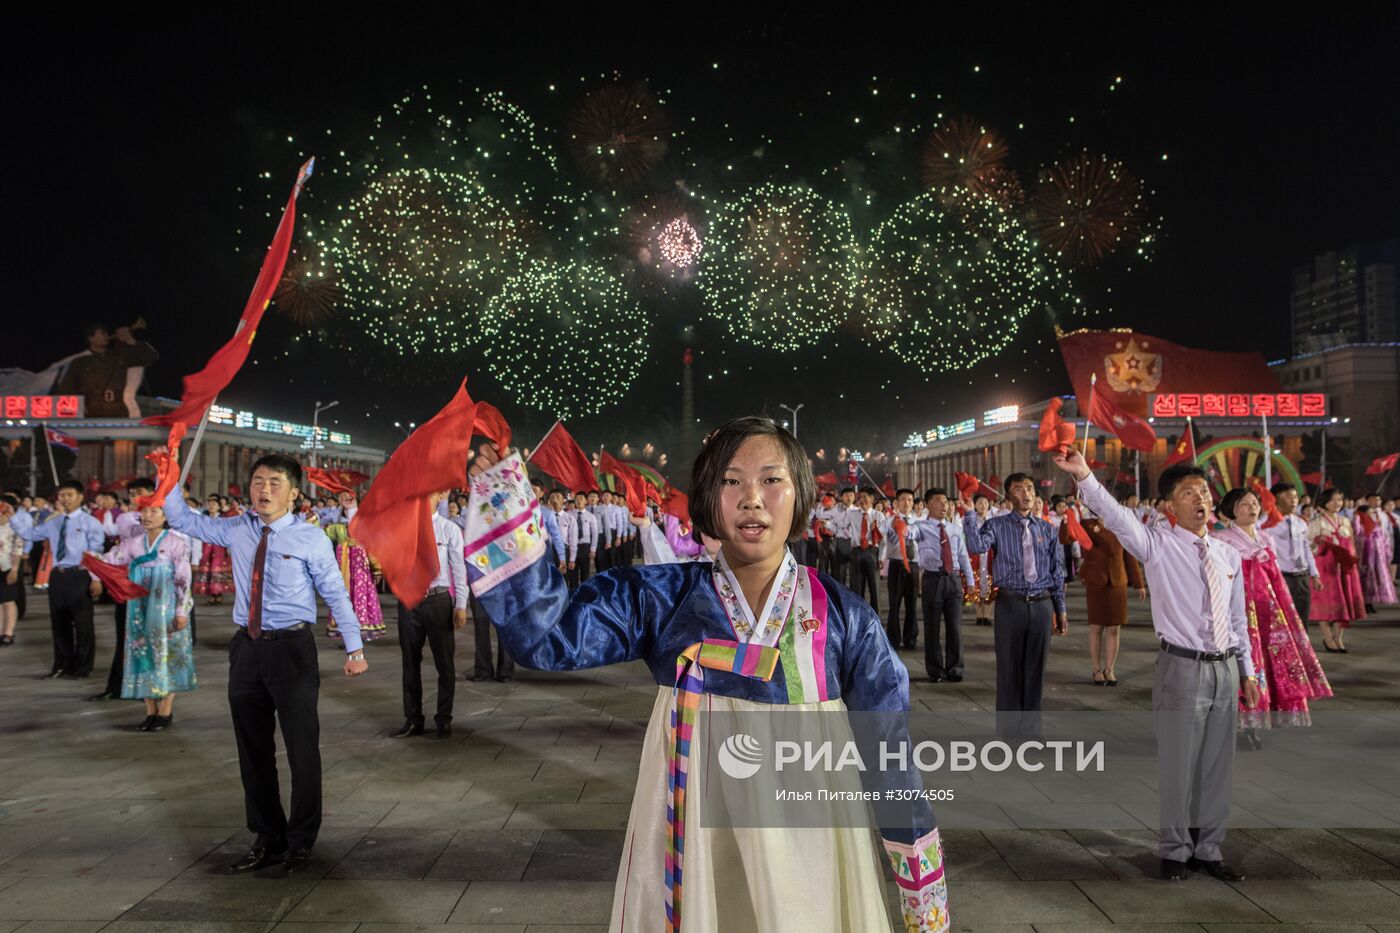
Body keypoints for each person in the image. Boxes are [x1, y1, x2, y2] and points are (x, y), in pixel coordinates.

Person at [463, 416, 949, 932]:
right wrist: (503, 501)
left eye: (770, 479)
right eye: (731, 480)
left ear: (800, 494)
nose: (751, 498)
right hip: (692, 836)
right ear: (708, 500)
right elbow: (548, 636)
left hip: (812, 843)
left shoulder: (847, 618)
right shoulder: (661, 599)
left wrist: (924, 902)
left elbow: (888, 755)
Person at [1055, 448, 1258, 882]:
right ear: (1170, 506)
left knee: (1219, 764)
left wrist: (1248, 671)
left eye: (1204, 491)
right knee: (1180, 764)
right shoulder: (1158, 546)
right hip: (1182, 670)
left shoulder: (1227, 555)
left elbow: (1239, 618)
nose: (1200, 498)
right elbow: (1114, 516)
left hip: (1225, 670)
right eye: (1189, 493)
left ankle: (1209, 848)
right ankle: (1174, 850)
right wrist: (1086, 475)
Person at [161, 451, 368, 876]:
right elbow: (183, 520)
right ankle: (267, 837)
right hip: (248, 650)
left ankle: (301, 840)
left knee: (301, 749)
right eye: (257, 482)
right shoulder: (237, 529)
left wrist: (355, 648)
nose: (264, 490)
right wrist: (169, 480)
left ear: (293, 494)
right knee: (252, 749)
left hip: (292, 649)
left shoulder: (310, 539)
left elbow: (334, 591)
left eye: (274, 483)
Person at [1212, 488, 1332, 749]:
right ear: (1232, 508)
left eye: (1255, 503)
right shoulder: (1221, 540)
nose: (1252, 508)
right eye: (1244, 504)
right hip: (1240, 614)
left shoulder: (1266, 538)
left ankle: (1259, 721)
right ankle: (1241, 725)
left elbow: (1275, 579)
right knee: (1247, 665)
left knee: (1270, 665)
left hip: (1269, 614)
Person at [961, 473, 1067, 737]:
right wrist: (969, 515)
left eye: (1030, 488)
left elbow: (1057, 572)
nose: (1026, 494)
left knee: (1036, 669)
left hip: (1041, 604)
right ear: (1009, 496)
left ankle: (1032, 730)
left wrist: (1060, 609)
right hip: (1011, 603)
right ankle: (1008, 731)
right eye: (1019, 489)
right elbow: (975, 546)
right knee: (1009, 669)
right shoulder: (996, 526)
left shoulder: (1046, 529)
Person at [90, 501, 196, 731]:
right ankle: (150, 709)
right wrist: (91, 561)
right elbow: (109, 560)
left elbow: (183, 580)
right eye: (144, 511)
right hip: (139, 608)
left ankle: (166, 709)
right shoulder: (131, 544)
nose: (147, 516)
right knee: (141, 652)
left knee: (167, 653)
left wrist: (181, 611)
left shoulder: (176, 543)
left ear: (165, 516)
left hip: (165, 607)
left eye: (154, 511)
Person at [10, 480, 105, 678]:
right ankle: (62, 665)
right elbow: (29, 534)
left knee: (82, 624)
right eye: (62, 495)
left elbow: (96, 552)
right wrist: (12, 518)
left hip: (80, 575)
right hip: (58, 575)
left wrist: (96, 579)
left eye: (70, 495)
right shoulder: (54, 522)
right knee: (59, 622)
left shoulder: (90, 522)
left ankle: (83, 667)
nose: (65, 499)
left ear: (80, 497)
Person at [394, 491, 468, 739]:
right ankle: (413, 719)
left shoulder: (449, 529)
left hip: (438, 600)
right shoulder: (402, 528)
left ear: (441, 497)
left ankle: (444, 718)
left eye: (430, 495)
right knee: (409, 662)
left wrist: (461, 605)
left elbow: (459, 568)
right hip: (409, 601)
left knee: (444, 663)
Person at [89, 477, 156, 702]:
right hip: (128, 586)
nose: (137, 497)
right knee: (125, 638)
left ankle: (145, 688)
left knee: (148, 639)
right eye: (134, 493)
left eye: (143, 492)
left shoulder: (164, 519)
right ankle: (116, 685)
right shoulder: (127, 518)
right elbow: (136, 533)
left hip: (153, 587)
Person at [1067, 502, 1145, 686]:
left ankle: (1110, 668)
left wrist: (1139, 583)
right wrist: (1069, 516)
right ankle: (1096, 668)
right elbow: (1070, 535)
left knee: (1114, 628)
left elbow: (1130, 555)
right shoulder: (1087, 525)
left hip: (1118, 581)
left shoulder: (1121, 527)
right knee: (1096, 627)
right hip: (1097, 581)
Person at [909, 488, 976, 682]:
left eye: (946, 501)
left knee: (955, 627)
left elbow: (963, 556)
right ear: (928, 505)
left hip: (953, 580)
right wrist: (903, 525)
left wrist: (970, 581)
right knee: (932, 628)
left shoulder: (955, 528)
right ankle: (935, 670)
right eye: (939, 501)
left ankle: (955, 668)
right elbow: (908, 533)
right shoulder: (920, 527)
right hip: (932, 580)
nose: (944, 505)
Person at [321, 490, 388, 643]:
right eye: (342, 498)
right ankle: (346, 632)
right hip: (343, 567)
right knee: (343, 597)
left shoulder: (363, 522)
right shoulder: (336, 524)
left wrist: (376, 566)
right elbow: (322, 536)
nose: (346, 500)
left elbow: (368, 542)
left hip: (360, 568)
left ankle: (360, 630)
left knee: (360, 595)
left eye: (349, 498)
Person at [54, 323, 159, 418]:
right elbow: (65, 390)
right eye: (102, 333)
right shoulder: (80, 362)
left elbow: (150, 356)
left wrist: (130, 340)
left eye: (106, 333)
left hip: (118, 409)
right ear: (91, 338)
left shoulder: (118, 356)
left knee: (122, 438)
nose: (106, 335)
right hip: (90, 411)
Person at [1309, 488, 1366, 652]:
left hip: (1344, 567)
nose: (1337, 503)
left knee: (1344, 603)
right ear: (1325, 502)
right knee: (1326, 603)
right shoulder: (1316, 522)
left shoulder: (1345, 521)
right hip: (1326, 567)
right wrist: (1320, 543)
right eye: (1333, 500)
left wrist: (1353, 561)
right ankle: (1327, 637)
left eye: (1340, 500)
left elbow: (1352, 544)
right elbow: (1308, 546)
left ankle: (1338, 638)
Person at [1265, 482, 1323, 629]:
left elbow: (1306, 548)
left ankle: (1303, 650)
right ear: (1275, 499)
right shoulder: (1267, 523)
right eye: (1288, 497)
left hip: (1302, 576)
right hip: (1282, 577)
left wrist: (1314, 574)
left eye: (1295, 497)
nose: (1294, 501)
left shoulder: (1300, 522)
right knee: (1283, 619)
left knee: (1302, 619)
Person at [879, 488, 920, 649]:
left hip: (914, 565)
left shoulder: (919, 520)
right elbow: (879, 534)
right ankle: (893, 638)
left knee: (912, 603)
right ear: (897, 502)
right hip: (896, 564)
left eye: (910, 500)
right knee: (894, 603)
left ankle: (911, 638)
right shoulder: (890, 520)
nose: (907, 503)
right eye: (903, 499)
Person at [1354, 502, 1397, 611]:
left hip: (1377, 557)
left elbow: (1384, 538)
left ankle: (1370, 603)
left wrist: (1387, 553)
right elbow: (1357, 533)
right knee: (1365, 579)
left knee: (1374, 580)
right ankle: (1364, 603)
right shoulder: (1360, 523)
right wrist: (1357, 518)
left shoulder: (1374, 523)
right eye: (1369, 512)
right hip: (1365, 556)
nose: (1371, 514)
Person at [194, 494, 234, 604]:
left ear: (218, 507)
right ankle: (212, 594)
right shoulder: (205, 519)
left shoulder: (223, 519)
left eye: (214, 504)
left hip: (219, 547)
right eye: (209, 504)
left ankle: (218, 594)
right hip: (206, 547)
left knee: (217, 569)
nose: (211, 506)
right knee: (209, 569)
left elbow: (228, 534)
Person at [847, 487, 882, 612]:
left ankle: (875, 617)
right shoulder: (852, 514)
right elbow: (840, 525)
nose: (862, 500)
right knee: (857, 588)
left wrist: (881, 558)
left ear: (872, 499)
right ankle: (859, 617)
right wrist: (827, 524)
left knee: (875, 588)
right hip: (857, 551)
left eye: (865, 497)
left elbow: (883, 539)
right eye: (860, 497)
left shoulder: (878, 515)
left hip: (872, 551)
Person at [966, 494, 996, 626]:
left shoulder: (994, 520)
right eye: (980, 503)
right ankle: (979, 614)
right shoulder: (970, 520)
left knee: (990, 584)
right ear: (974, 505)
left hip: (990, 555)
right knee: (977, 583)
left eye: (985, 502)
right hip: (975, 555)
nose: (983, 505)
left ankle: (987, 615)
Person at [0, 497, 25, 645]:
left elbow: (18, 550)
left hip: (9, 568)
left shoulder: (14, 528)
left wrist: (14, 570)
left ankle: (8, 633)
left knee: (8, 601)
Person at [572, 492, 598, 586]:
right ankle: (573, 594)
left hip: (585, 547)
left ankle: (584, 593)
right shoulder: (570, 515)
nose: (578, 501)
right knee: (573, 573)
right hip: (572, 547)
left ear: (586, 501)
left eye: (581, 499)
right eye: (577, 499)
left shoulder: (591, 516)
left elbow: (595, 534)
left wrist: (593, 549)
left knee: (585, 572)